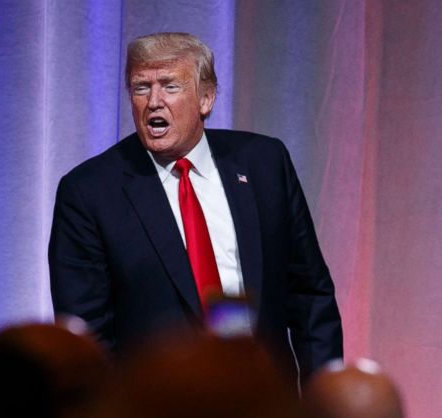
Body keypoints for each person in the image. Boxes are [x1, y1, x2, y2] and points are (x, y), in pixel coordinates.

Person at [49, 32, 343, 381]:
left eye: (170, 86)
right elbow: (88, 339)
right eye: (141, 87)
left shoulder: (264, 163)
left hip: (265, 411)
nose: (153, 101)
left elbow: (309, 294)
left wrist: (326, 406)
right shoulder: (90, 192)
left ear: (206, 98)